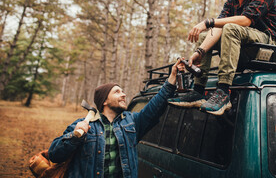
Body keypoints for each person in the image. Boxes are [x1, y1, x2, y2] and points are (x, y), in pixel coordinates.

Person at [168, 0, 276, 116]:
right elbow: (218, 28)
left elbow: (246, 20)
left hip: (272, 50)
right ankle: (198, 91)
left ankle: (223, 91)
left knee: (231, 28)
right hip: (246, 50)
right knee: (206, 37)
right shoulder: (232, 1)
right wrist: (200, 52)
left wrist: (208, 22)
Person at [48, 59, 181, 178]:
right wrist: (74, 137)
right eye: (117, 92)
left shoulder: (132, 122)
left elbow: (155, 106)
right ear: (104, 101)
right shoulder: (83, 125)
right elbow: (54, 155)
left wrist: (172, 77)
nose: (123, 94)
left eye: (123, 91)